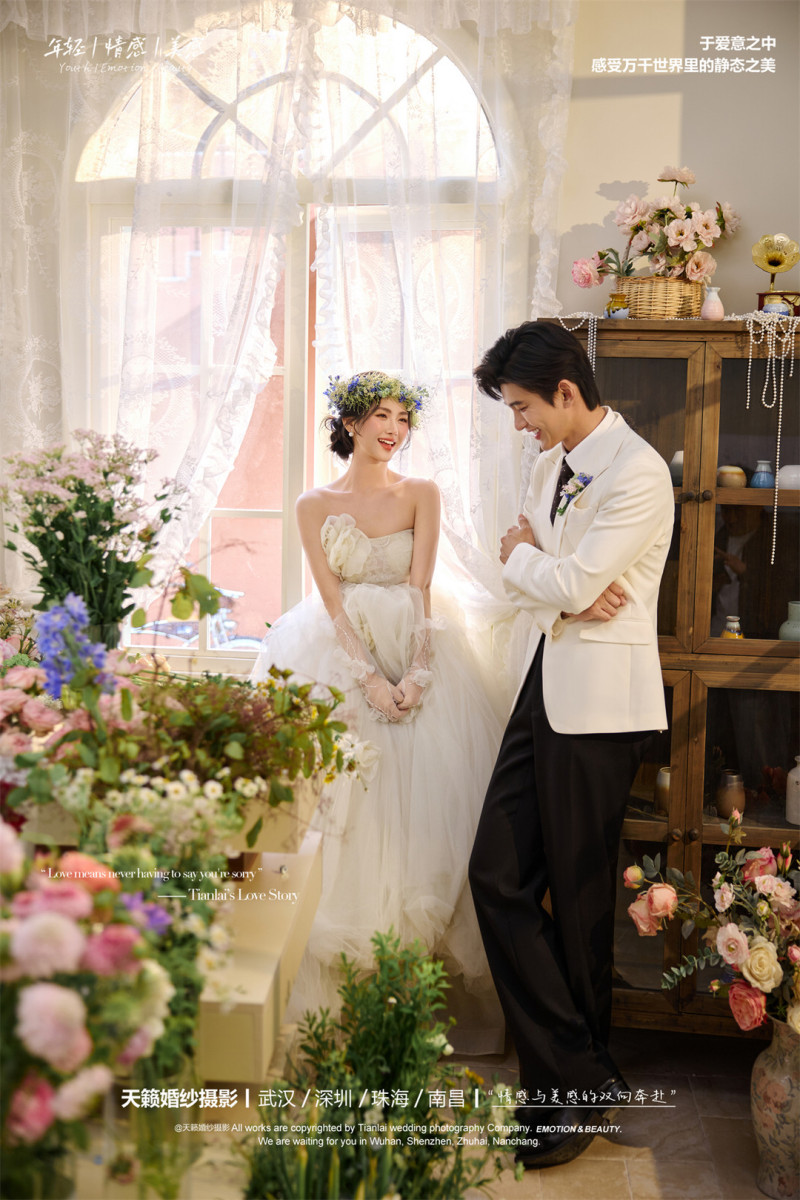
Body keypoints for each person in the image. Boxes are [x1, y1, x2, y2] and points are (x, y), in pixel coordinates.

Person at [468, 322, 675, 1167]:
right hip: (543, 685)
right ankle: (579, 1071)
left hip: (601, 709)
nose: (520, 425)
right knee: (496, 874)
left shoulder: (640, 472)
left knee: (582, 902)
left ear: (564, 389)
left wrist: (543, 572)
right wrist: (555, 586)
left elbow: (562, 575)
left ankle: (567, 1095)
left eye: (522, 407)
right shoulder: (550, 463)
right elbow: (546, 583)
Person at [251, 370, 504, 1049]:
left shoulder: (421, 492)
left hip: (417, 646)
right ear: (350, 423)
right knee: (348, 809)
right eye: (382, 416)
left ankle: (415, 1008)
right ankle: (346, 1012)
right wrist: (365, 677)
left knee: (429, 810)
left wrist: (417, 673)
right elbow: (331, 603)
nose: (394, 429)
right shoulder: (313, 504)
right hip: (339, 658)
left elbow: (421, 586)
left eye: (403, 418)